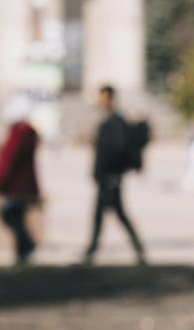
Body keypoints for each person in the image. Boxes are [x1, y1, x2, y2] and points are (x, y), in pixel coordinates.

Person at [82, 84, 146, 266]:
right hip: (106, 177)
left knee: (113, 215)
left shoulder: (115, 122)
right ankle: (93, 251)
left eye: (102, 97)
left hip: (110, 178)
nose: (99, 101)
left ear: (109, 98)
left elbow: (117, 151)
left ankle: (92, 251)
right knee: (107, 215)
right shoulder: (110, 121)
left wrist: (112, 173)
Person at [0, 95, 40, 265]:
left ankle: (27, 245)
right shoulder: (28, 133)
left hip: (16, 186)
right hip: (24, 186)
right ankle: (22, 253)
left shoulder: (19, 133)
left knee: (10, 215)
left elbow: (8, 160)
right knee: (17, 217)